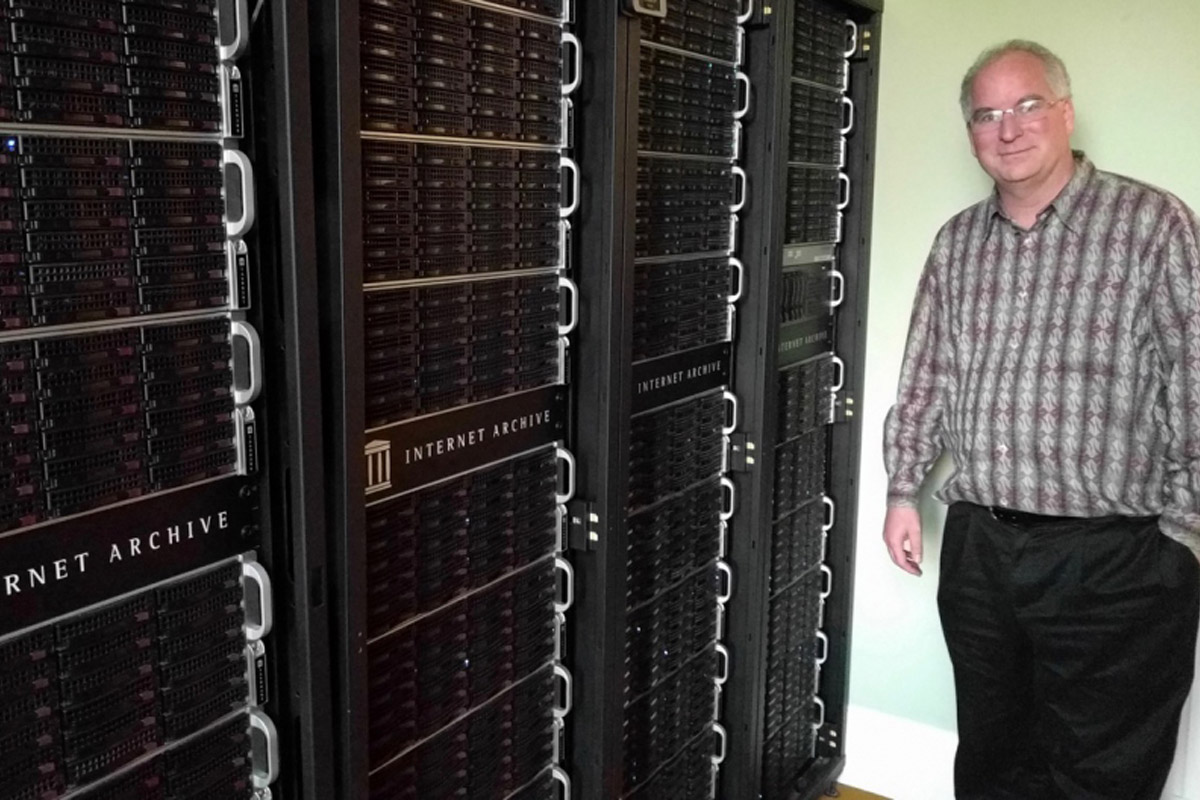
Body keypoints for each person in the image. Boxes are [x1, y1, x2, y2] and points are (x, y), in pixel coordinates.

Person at [882, 40, 1200, 799]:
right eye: (986, 114)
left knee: (1103, 772)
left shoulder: (1152, 224)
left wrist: (1183, 532)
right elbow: (927, 373)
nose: (1009, 128)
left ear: (1065, 111)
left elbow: (1195, 371)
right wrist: (902, 490)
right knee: (993, 757)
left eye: (1027, 105)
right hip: (982, 554)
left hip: (1116, 557)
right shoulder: (957, 243)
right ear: (971, 133)